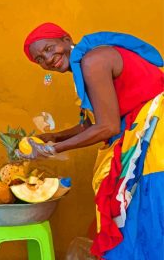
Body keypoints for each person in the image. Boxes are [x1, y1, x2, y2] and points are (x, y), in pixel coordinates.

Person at [16, 22, 164, 260]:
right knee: (139, 213)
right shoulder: (85, 64)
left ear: (66, 39)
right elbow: (91, 123)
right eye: (40, 59)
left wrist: (53, 149)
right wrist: (56, 135)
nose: (47, 58)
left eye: (49, 48)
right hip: (143, 131)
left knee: (149, 209)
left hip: (155, 138)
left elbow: (108, 127)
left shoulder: (93, 62)